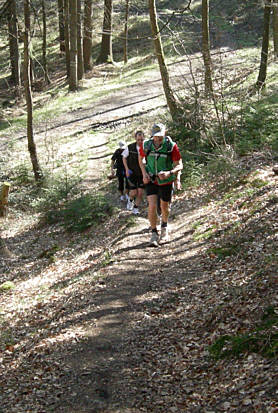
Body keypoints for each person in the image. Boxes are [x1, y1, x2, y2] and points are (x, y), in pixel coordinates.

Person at [139, 123, 183, 246]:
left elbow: (179, 164)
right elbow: (141, 159)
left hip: (166, 181)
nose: (157, 139)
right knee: (152, 206)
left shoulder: (171, 146)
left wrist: (170, 173)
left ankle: (164, 226)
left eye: (160, 136)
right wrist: (144, 174)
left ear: (164, 133)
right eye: (155, 136)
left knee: (164, 206)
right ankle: (154, 233)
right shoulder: (146, 145)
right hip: (151, 180)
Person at [122, 130, 145, 215]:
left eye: (142, 139)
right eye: (138, 139)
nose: (140, 141)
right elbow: (124, 157)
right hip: (132, 173)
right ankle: (130, 200)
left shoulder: (146, 147)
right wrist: (127, 169)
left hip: (142, 173)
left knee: (140, 192)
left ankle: (136, 208)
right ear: (135, 138)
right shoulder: (130, 147)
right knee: (133, 192)